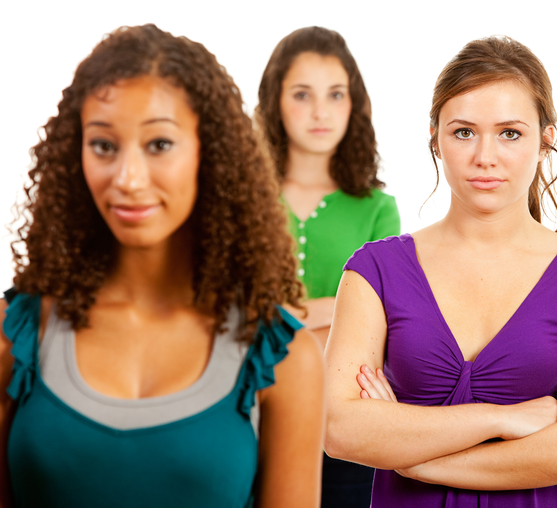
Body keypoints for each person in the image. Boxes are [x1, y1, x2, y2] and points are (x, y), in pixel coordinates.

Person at [0, 24, 324, 508]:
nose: (128, 179)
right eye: (104, 145)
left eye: (159, 145)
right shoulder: (15, 339)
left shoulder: (283, 358)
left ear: (208, 154)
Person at [324, 36, 557, 507]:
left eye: (510, 133)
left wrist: (410, 458)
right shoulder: (374, 271)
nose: (485, 156)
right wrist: (500, 419)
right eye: (464, 132)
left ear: (545, 140)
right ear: (436, 138)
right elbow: (341, 430)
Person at [255, 26, 400, 507]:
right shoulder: (242, 197)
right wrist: (336, 310)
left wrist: (282, 312)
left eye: (335, 95)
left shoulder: (378, 208)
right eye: (302, 94)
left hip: (345, 417)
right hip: (248, 404)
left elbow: (381, 316)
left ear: (353, 104)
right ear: (275, 100)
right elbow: (226, 306)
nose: (321, 112)